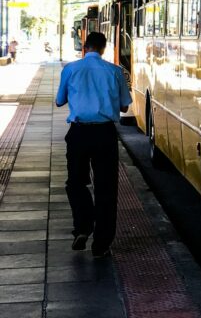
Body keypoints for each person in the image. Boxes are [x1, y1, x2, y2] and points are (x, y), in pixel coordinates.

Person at [55, 32, 132, 258]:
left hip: (78, 133)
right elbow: (125, 107)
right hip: (105, 134)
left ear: (84, 48)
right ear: (103, 49)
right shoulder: (115, 71)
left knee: (75, 183)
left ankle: (83, 226)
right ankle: (101, 244)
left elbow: (60, 101)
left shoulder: (70, 69)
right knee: (106, 187)